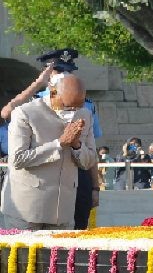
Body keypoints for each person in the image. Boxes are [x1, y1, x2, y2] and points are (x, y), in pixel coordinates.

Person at [2, 49, 103, 229]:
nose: (71, 112)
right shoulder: (26, 110)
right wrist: (59, 144)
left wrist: (77, 145)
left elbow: (90, 158)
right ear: (53, 92)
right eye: (67, 106)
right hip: (28, 208)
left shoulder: (85, 111)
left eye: (75, 107)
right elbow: (16, 158)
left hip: (64, 208)